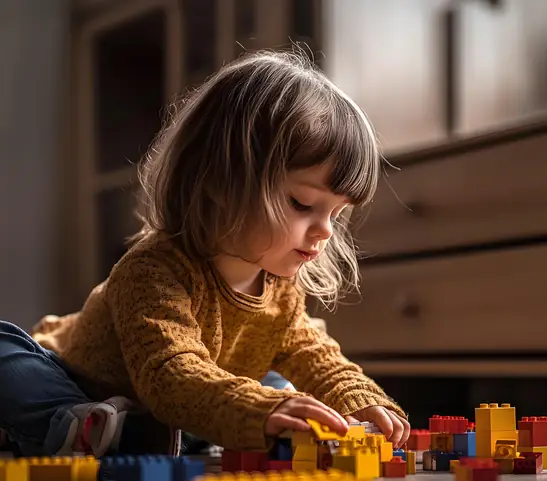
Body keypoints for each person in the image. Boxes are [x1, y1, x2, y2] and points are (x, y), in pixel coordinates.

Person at [0, 49, 411, 458]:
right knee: (8, 356)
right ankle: (70, 423)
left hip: (167, 410)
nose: (324, 230)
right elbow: (170, 374)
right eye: (302, 204)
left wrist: (358, 400)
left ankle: (132, 434)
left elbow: (313, 353)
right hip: (78, 382)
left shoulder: (281, 288)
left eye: (337, 215)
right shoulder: (154, 269)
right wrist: (262, 409)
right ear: (220, 182)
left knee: (279, 389)